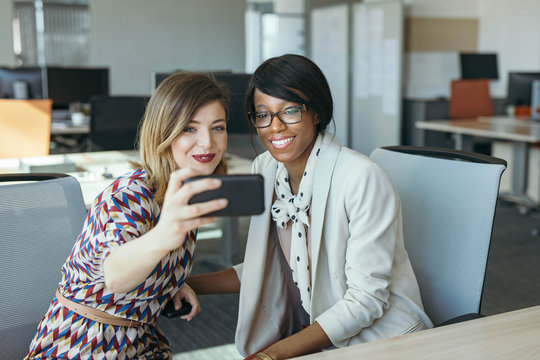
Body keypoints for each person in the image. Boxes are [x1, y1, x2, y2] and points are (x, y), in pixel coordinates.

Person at [186, 54, 433, 360]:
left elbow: (366, 300)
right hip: (321, 335)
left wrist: (270, 355)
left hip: (383, 339)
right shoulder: (265, 168)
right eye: (262, 115)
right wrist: (182, 284)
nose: (274, 127)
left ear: (316, 112)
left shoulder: (361, 178)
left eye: (290, 111)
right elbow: (263, 269)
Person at [26, 71, 231, 359]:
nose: (208, 142)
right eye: (189, 128)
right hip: (84, 345)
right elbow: (115, 276)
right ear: (164, 132)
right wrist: (162, 236)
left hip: (137, 342)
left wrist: (169, 283)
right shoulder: (132, 194)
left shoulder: (183, 190)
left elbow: (140, 262)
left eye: (217, 127)